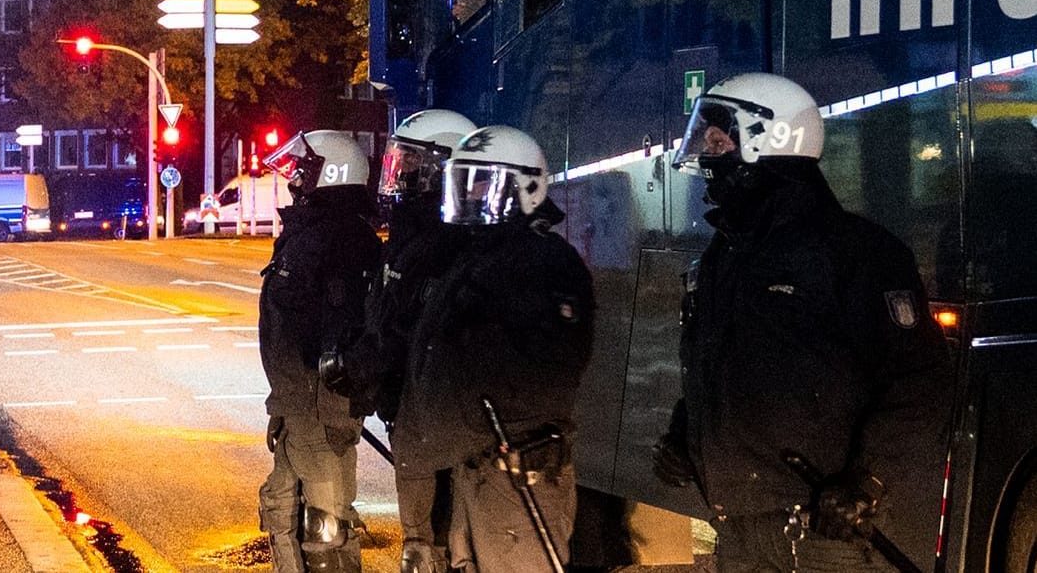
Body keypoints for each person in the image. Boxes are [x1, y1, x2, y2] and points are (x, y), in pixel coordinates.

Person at [654, 73, 952, 572]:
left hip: (823, 537)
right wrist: (687, 435)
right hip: (740, 532)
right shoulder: (726, 253)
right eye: (705, 137)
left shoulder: (855, 252)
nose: (708, 151)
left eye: (719, 136)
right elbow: (717, 363)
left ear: (770, 139)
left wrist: (867, 482)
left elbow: (920, 380)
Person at [391, 125, 594, 572]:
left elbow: (545, 370)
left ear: (525, 186)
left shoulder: (544, 262)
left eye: (483, 182)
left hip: (519, 471)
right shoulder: (480, 256)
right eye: (465, 182)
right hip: (476, 464)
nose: (472, 194)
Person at [321, 109, 474, 573]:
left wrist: (360, 361)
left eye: (412, 163)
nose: (400, 172)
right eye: (399, 160)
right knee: (424, 540)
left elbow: (415, 329)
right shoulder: (412, 234)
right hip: (409, 407)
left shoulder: (449, 241)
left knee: (440, 542)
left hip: (440, 412)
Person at [256, 130, 385, 573]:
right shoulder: (313, 234)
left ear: (331, 173)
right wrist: (284, 404)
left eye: (303, 170)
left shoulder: (342, 240)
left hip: (321, 408)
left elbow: (347, 335)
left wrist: (332, 410)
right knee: (283, 509)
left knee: (325, 527)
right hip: (300, 406)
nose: (294, 179)